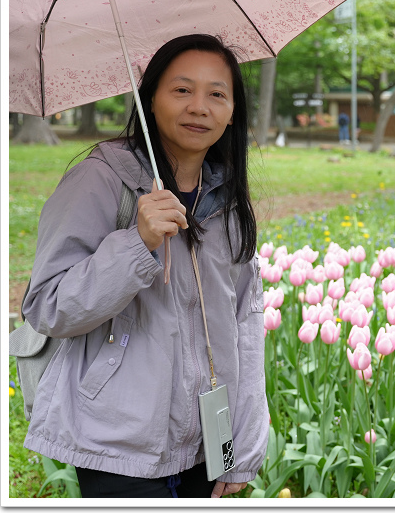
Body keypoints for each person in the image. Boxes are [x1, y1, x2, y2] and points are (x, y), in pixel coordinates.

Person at [21, 34, 269, 498]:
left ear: (233, 110)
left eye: (217, 93)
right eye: (181, 90)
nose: (200, 106)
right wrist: (138, 243)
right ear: (150, 98)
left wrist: (238, 454)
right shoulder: (101, 178)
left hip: (206, 444)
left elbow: (245, 328)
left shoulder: (228, 199)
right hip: (116, 443)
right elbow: (48, 307)